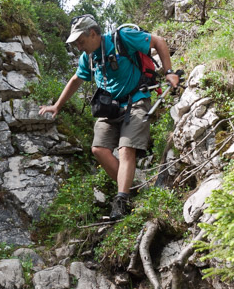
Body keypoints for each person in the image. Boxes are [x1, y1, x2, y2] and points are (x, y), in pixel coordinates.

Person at [39, 14, 179, 220]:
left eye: (81, 41)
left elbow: (158, 41)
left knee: (125, 149)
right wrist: (57, 106)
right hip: (110, 108)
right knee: (98, 149)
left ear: (93, 33)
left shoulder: (122, 37)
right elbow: (76, 79)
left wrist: (169, 72)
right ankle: (133, 188)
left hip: (136, 100)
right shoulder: (88, 57)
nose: (78, 46)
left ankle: (121, 201)